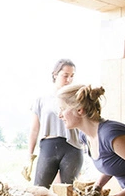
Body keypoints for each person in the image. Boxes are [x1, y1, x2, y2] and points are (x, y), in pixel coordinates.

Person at [28, 59, 84, 188]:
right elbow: (34, 129)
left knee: (69, 191)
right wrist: (30, 155)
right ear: (55, 74)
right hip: (48, 147)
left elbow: (86, 125)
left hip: (73, 147)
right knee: (39, 190)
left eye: (72, 76)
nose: (69, 80)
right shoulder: (42, 99)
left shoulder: (77, 98)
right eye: (65, 75)